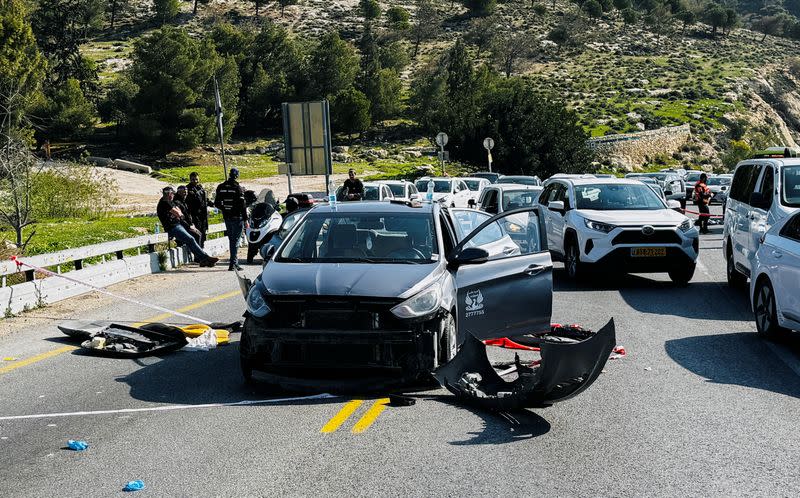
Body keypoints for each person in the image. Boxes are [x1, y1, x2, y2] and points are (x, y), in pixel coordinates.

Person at [157, 187, 218, 267]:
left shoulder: (170, 202)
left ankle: (204, 259)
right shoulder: (165, 202)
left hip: (177, 224)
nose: (173, 196)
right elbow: (179, 214)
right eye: (172, 194)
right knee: (190, 239)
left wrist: (181, 216)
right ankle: (205, 258)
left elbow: (180, 213)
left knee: (194, 237)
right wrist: (179, 214)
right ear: (169, 194)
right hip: (172, 227)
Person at [214, 168, 248, 271]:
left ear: (229, 175)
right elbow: (242, 205)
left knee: (231, 240)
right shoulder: (238, 188)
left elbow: (217, 203)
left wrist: (225, 209)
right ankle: (233, 264)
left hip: (227, 217)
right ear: (237, 176)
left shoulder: (221, 187)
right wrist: (246, 219)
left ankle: (234, 263)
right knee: (235, 241)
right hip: (237, 217)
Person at [185, 172, 209, 248]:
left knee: (203, 235)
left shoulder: (200, 188)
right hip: (194, 216)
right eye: (193, 179)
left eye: (196, 179)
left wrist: (213, 204)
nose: (195, 181)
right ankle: (198, 256)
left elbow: (205, 200)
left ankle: (202, 253)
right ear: (190, 179)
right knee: (196, 235)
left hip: (203, 216)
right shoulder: (187, 189)